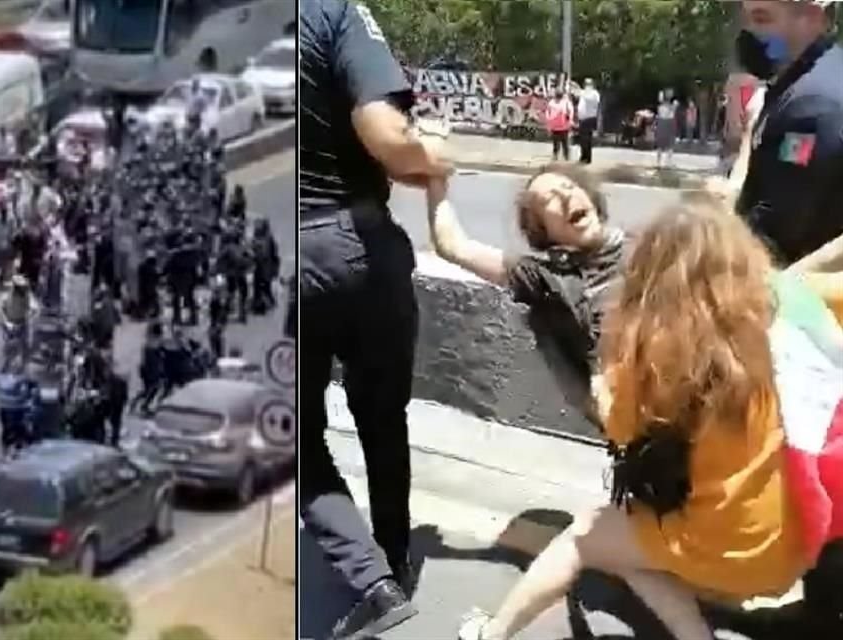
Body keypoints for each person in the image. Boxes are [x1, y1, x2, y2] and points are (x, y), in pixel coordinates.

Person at [457, 200, 824, 640]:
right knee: (624, 543)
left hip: (730, 548)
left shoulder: (656, 354)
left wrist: (603, 391)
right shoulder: (786, 317)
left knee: (585, 535)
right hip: (797, 541)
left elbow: (621, 430)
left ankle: (490, 633)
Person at [300, 1, 453, 637]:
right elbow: (389, 138)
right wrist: (437, 155)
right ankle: (391, 561)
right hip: (361, 246)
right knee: (382, 416)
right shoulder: (334, 12)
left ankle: (373, 580)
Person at [424, 147, 626, 422]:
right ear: (542, 230)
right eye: (548, 201)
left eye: (569, 186)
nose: (566, 195)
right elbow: (453, 246)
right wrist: (433, 175)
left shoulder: (653, 246)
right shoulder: (546, 278)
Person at [735, 0, 843, 265]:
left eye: (761, 19)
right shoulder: (805, 81)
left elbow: (774, 236)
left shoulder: (811, 107)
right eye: (746, 19)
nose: (749, 33)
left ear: (810, 19)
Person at [545, 88, 574, 161]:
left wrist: (549, 126)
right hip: (564, 127)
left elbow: (547, 115)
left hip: (554, 127)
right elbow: (571, 113)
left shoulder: (551, 103)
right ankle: (567, 159)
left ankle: (555, 158)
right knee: (565, 145)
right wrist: (570, 122)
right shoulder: (566, 102)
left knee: (556, 145)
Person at [576, 78, 600, 164]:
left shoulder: (594, 93)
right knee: (583, 139)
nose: (587, 86)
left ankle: (587, 157)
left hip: (589, 118)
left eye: (588, 84)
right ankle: (583, 156)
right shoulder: (583, 92)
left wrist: (583, 93)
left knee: (587, 139)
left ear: (592, 85)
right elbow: (576, 94)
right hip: (582, 118)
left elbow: (593, 102)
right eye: (586, 84)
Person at [655, 89, 678, 168]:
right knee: (664, 144)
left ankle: (665, 162)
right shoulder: (663, 106)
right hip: (665, 123)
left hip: (666, 123)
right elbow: (668, 111)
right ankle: (661, 162)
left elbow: (672, 109)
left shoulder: (671, 104)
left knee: (668, 144)